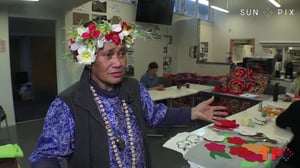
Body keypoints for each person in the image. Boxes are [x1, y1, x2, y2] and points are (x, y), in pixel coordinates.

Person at [29, 18, 228, 168]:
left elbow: (155, 114)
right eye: (108, 55)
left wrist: (192, 112)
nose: (118, 63)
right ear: (89, 61)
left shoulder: (134, 88)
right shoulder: (68, 103)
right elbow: (47, 155)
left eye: (122, 53)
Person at [275, 100, 300, 168]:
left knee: (276, 156)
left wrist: (287, 113)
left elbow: (280, 122)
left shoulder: (297, 105)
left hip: (294, 158)